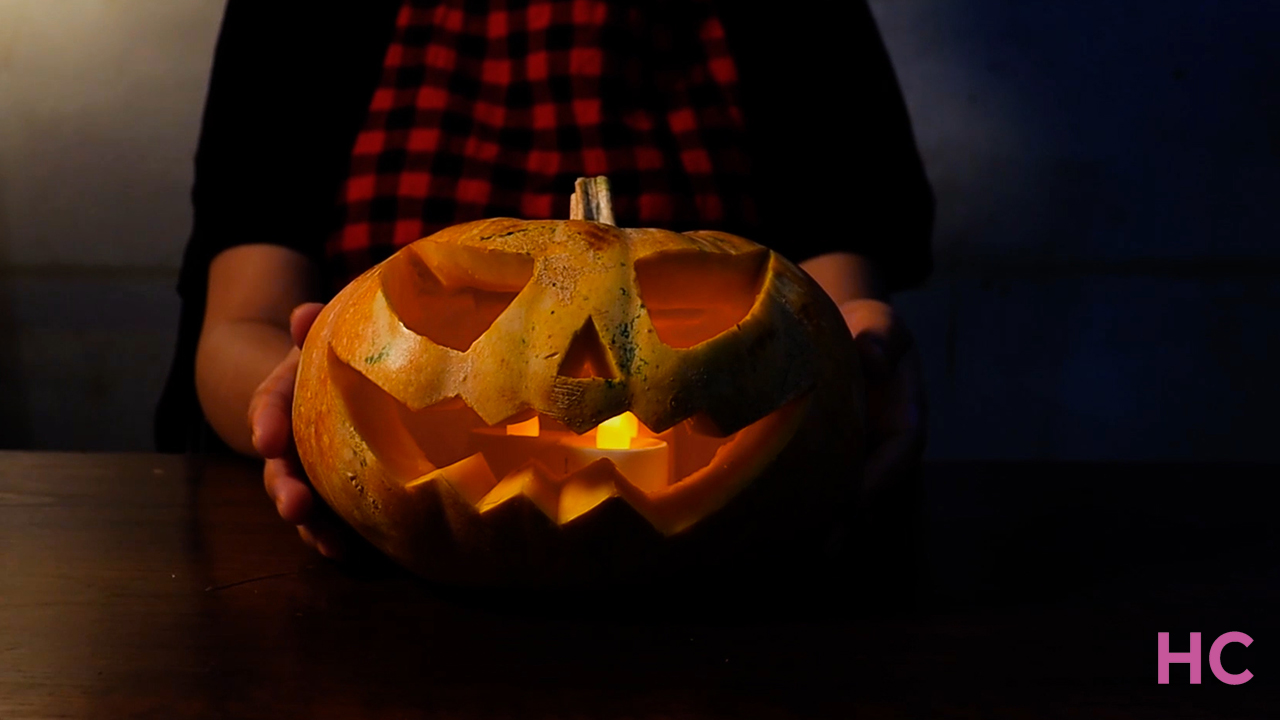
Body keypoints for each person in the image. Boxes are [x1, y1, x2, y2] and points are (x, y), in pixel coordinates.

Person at [157, 0, 934, 559]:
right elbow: (240, 322)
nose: (574, 373)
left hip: (736, 604)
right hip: (376, 594)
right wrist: (311, 406)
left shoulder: (800, 17)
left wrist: (860, 367)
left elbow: (827, 311)